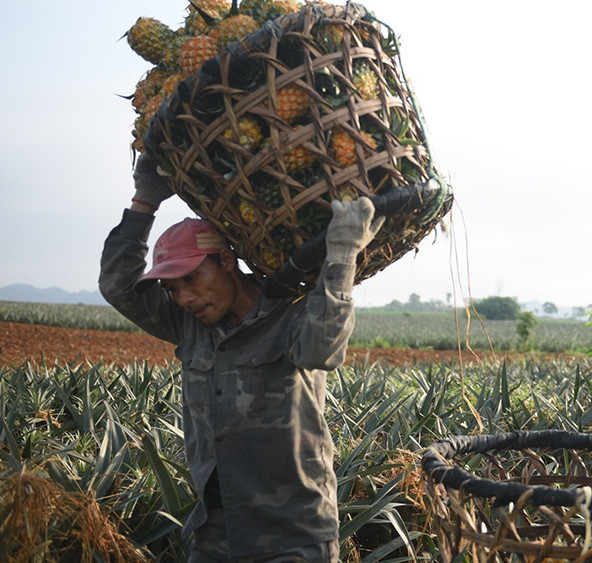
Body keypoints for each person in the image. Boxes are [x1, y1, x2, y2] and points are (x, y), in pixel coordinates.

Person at [99, 153, 384, 562]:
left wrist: (341, 259)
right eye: (171, 289)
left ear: (227, 261)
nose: (184, 298)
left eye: (191, 279)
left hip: (294, 537)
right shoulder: (190, 324)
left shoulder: (291, 312)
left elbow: (325, 349)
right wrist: (144, 202)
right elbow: (118, 285)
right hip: (216, 532)